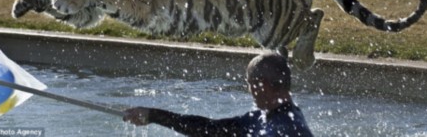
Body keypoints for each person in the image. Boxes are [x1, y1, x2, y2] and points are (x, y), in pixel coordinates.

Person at [123, 53, 313, 136]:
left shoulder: (288, 129)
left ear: (260, 85)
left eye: (248, 84)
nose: (249, 90)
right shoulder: (261, 119)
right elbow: (207, 128)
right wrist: (153, 115)